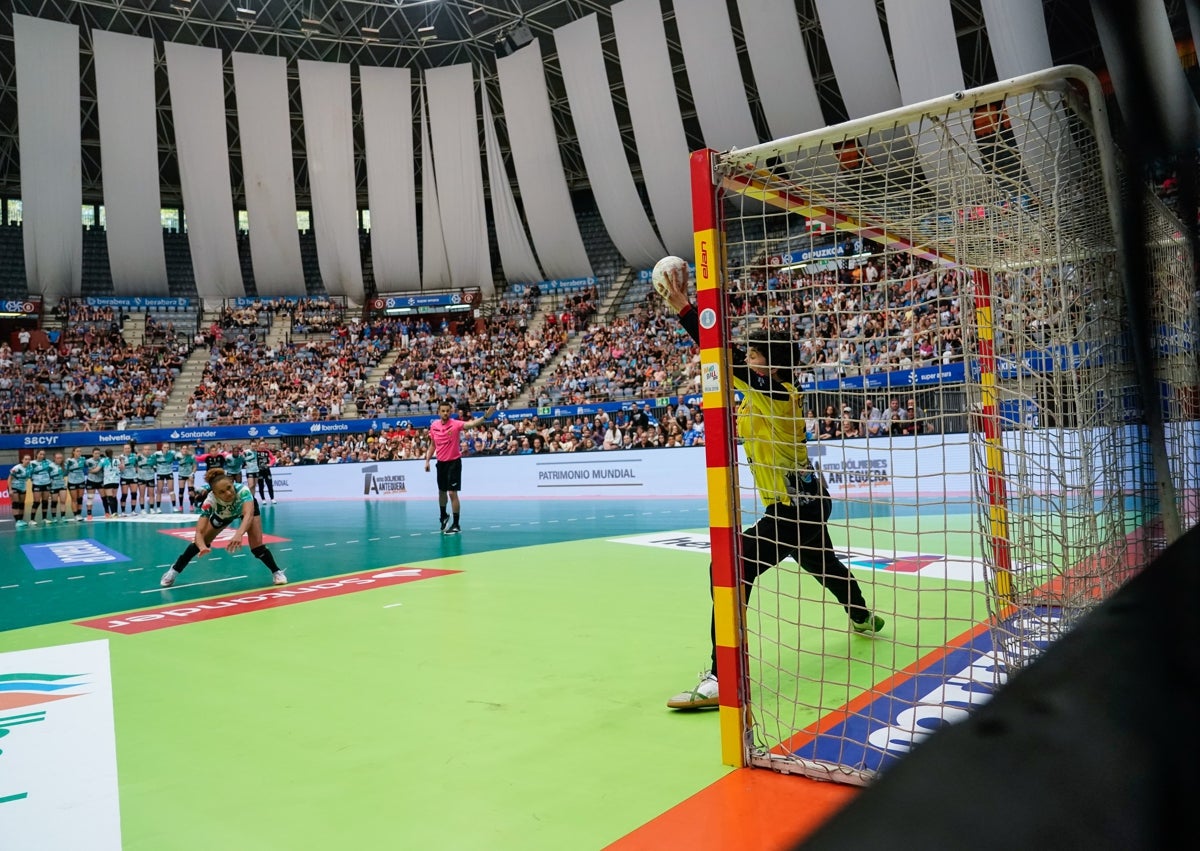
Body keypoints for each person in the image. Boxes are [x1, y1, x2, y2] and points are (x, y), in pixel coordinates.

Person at [654, 262, 884, 711]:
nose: (748, 358)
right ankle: (861, 615)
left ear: (771, 364)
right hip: (807, 502)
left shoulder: (778, 393)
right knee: (823, 563)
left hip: (795, 507)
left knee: (730, 567)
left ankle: (724, 676)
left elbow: (723, 355)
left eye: (755, 355)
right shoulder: (764, 394)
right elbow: (732, 362)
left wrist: (685, 307)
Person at [160, 467, 286, 588]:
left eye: (229, 488)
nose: (228, 493)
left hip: (244, 510)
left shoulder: (243, 491)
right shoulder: (209, 502)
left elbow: (248, 514)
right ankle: (174, 571)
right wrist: (203, 546)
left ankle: (277, 572)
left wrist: (239, 534)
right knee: (198, 544)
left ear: (232, 483)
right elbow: (199, 532)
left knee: (257, 546)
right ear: (214, 493)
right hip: (223, 514)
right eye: (222, 492)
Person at [424, 399, 497, 535]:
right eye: (443, 411)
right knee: (441, 492)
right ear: (439, 412)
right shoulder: (434, 426)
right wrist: (427, 461)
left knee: (452, 493)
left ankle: (456, 524)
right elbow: (433, 445)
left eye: (447, 411)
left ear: (451, 412)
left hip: (454, 462)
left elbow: (472, 423)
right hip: (441, 463)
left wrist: (486, 417)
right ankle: (443, 516)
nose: (445, 413)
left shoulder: (456, 424)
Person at [8, 453, 31, 528]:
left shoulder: (29, 468)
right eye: (26, 459)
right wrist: (10, 489)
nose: (27, 461)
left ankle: (21, 520)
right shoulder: (17, 468)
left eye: (29, 459)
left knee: (22, 504)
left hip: (22, 487)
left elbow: (27, 477)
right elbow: (9, 479)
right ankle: (17, 521)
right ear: (22, 460)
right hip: (14, 487)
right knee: (16, 503)